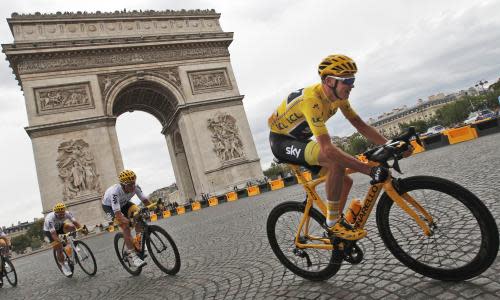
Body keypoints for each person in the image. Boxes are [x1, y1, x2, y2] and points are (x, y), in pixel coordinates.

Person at [268, 54, 410, 241]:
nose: (352, 85)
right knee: (334, 161)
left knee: (346, 181)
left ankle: (335, 223)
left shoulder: (339, 97)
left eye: (353, 80)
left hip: (300, 140)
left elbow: (360, 125)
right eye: (347, 81)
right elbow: (327, 149)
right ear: (329, 81)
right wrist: (369, 170)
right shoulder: (312, 100)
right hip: (281, 141)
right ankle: (333, 224)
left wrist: (389, 144)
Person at [101, 170, 151, 268]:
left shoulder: (135, 187)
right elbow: (118, 214)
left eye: (133, 183)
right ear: (123, 185)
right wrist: (126, 221)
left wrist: (154, 207)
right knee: (125, 226)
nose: (132, 187)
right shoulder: (115, 193)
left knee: (138, 214)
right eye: (129, 185)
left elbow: (144, 200)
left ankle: (139, 241)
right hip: (110, 207)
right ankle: (133, 256)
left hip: (124, 203)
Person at [43, 202, 85, 276]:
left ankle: (74, 244)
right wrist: (61, 241)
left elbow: (76, 223)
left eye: (63, 213)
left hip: (59, 226)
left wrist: (82, 229)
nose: (62, 215)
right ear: (55, 213)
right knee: (59, 247)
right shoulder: (49, 219)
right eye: (60, 214)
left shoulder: (67, 213)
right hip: (49, 231)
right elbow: (54, 235)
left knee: (72, 227)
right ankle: (63, 265)